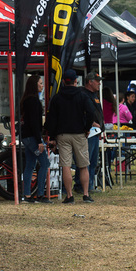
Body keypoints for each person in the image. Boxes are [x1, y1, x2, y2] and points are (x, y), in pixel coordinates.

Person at [46, 69, 100, 204]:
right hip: (79, 133)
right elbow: (91, 111)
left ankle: (69, 195)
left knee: (66, 165)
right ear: (76, 81)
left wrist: (52, 136)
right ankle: (86, 194)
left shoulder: (57, 97)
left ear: (64, 81)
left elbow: (51, 118)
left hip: (62, 134)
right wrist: (87, 128)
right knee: (83, 165)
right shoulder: (82, 96)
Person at [19, 74, 51, 203]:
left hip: (26, 137)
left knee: (30, 165)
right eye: (41, 83)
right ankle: (40, 194)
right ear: (35, 84)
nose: (42, 86)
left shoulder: (26, 100)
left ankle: (27, 194)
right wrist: (39, 141)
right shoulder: (33, 101)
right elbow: (34, 122)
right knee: (44, 163)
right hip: (32, 137)